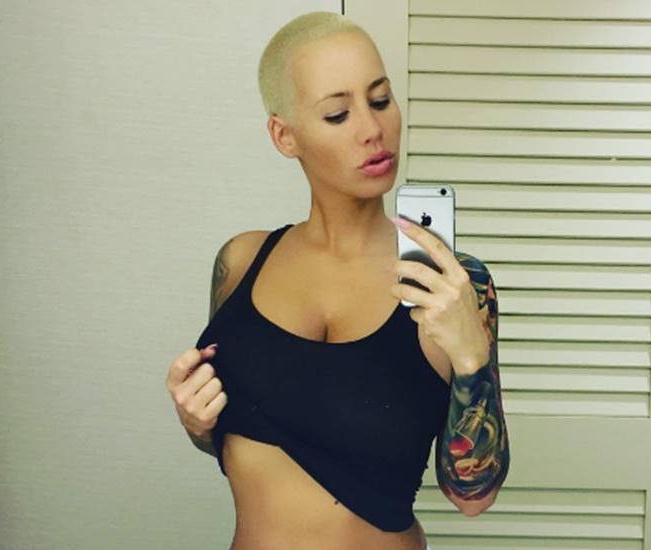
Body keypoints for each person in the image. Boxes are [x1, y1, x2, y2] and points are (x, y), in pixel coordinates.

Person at [164, 12, 510, 550]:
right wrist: (196, 422)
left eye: (380, 100)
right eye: (337, 113)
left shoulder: (451, 284)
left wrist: (471, 358)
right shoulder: (241, 263)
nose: (372, 129)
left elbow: (473, 496)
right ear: (285, 135)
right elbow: (241, 446)